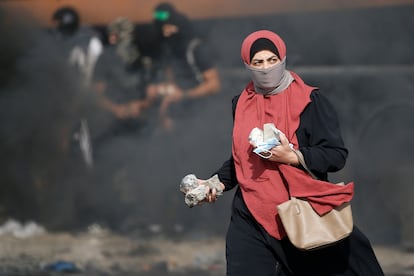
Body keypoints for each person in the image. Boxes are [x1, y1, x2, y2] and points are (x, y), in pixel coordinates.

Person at [191, 30, 384, 275]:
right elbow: (242, 158)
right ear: (247, 65)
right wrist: (215, 184)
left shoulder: (311, 100)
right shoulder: (240, 103)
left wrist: (292, 156)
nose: (265, 68)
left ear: (283, 59)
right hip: (250, 214)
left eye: (272, 60)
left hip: (300, 212)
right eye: (258, 63)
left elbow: (336, 155)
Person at [144, 2, 221, 131]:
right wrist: (160, 91)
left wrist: (184, 94)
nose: (167, 32)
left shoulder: (195, 48)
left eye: (170, 27)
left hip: (206, 116)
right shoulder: (169, 52)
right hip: (183, 118)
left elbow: (215, 85)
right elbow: (173, 85)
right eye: (163, 29)